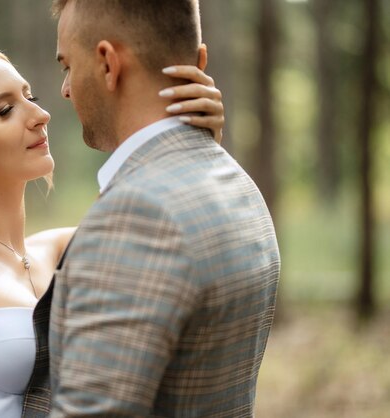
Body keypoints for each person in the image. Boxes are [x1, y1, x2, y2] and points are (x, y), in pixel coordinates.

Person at [0, 44, 225, 418]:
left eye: (30, 96)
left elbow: (178, 235)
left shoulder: (66, 249)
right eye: (4, 110)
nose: (41, 114)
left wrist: (197, 145)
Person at [22, 1, 281, 417]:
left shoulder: (137, 217)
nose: (66, 89)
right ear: (199, 61)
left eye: (67, 65)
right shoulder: (237, 185)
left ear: (108, 63)